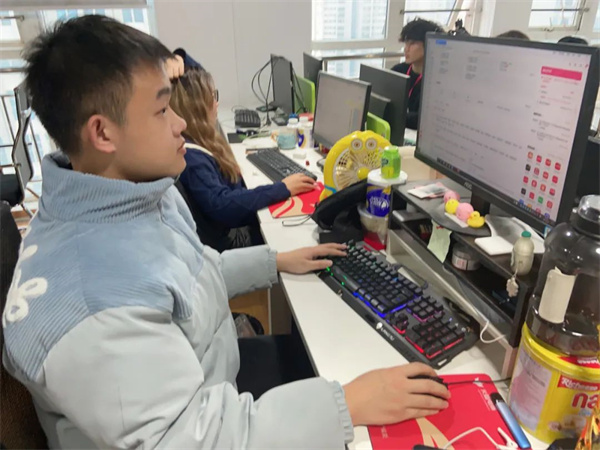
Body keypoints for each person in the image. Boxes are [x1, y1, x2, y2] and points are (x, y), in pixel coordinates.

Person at [2, 16, 450, 449]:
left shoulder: (129, 193)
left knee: (343, 354)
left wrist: (274, 262)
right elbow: (192, 439)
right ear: (102, 133)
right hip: (202, 425)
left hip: (208, 384)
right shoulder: (93, 307)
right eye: (161, 109)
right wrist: (346, 405)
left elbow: (192, 272)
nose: (180, 123)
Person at [169, 66, 316, 251]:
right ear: (197, 107)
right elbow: (223, 206)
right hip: (229, 242)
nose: (216, 103)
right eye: (213, 96)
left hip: (226, 230)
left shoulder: (196, 143)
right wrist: (282, 188)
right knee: (296, 231)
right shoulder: (193, 159)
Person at [391, 18, 444, 130]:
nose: (406, 49)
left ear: (429, 45)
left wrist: (394, 116)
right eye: (406, 43)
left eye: (412, 43)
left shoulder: (437, 81)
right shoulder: (398, 71)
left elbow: (423, 119)